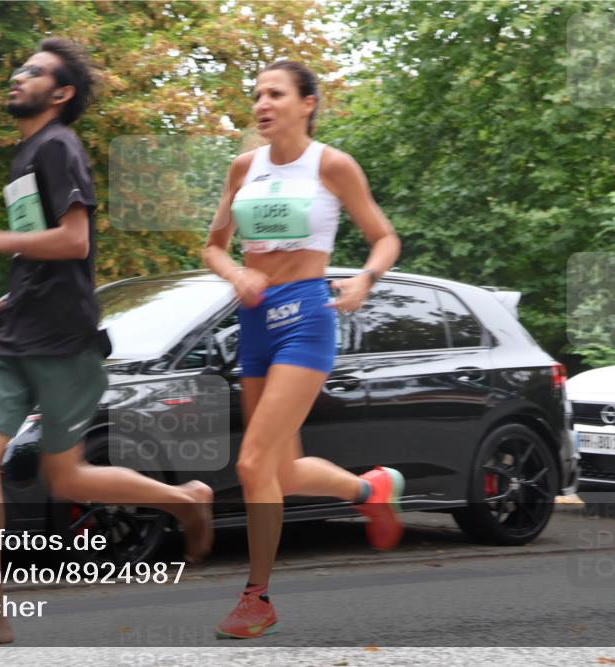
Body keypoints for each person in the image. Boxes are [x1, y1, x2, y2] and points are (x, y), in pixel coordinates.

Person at [0, 37, 213, 650]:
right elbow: (43, 256)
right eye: (19, 68)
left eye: (32, 72)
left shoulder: (58, 146)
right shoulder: (26, 153)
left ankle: (183, 499)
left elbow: (74, 242)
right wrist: (5, 306)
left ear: (60, 93)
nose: (16, 76)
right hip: (18, 337)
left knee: (69, 481)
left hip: (63, 342)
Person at [202, 60, 404, 639]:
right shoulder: (243, 167)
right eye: (257, 94)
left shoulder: (332, 165)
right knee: (282, 472)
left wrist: (365, 278)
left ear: (307, 103)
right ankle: (372, 489)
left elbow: (384, 235)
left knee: (251, 463)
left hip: (306, 320)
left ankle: (256, 598)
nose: (262, 104)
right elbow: (214, 247)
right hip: (255, 321)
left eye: (276, 94)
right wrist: (235, 275)